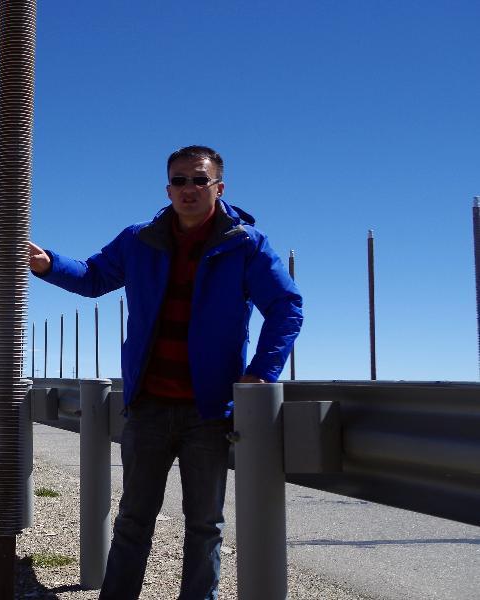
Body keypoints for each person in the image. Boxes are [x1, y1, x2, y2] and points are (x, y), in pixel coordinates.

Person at [27, 145, 302, 599]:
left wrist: (261, 373)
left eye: (199, 179)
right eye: (179, 180)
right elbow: (95, 277)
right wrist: (50, 264)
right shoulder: (140, 240)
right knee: (133, 520)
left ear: (219, 186)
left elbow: (286, 306)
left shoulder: (245, 244)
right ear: (167, 187)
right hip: (149, 406)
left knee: (204, 525)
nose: (189, 189)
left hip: (210, 412)